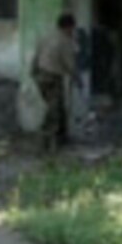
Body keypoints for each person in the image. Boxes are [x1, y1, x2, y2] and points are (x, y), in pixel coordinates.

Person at [31, 13, 80, 151]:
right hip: (52, 78)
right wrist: (76, 77)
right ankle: (45, 142)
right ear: (68, 27)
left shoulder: (46, 36)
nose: (72, 31)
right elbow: (69, 63)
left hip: (40, 75)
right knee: (54, 110)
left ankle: (62, 137)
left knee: (58, 106)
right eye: (72, 28)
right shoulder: (65, 41)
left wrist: (33, 73)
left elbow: (36, 56)